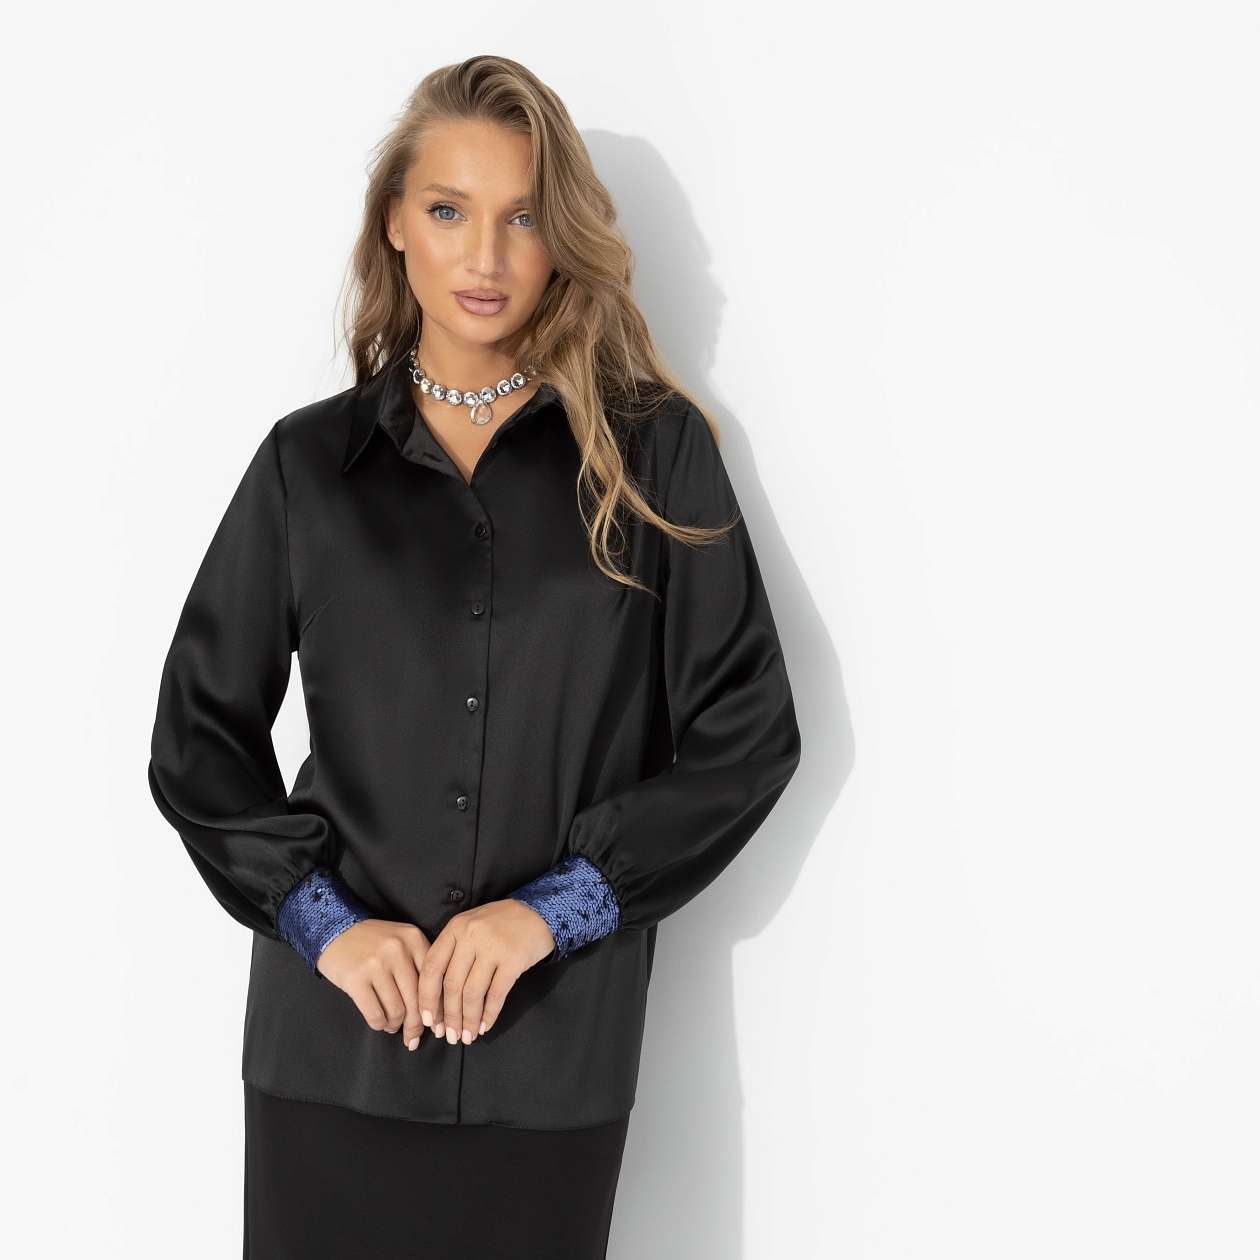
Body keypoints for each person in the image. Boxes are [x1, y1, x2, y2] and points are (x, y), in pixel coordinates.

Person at [149, 54, 799, 1260]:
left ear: (563, 237)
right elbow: (198, 739)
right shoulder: (307, 469)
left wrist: (556, 911)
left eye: (523, 217)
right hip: (331, 1052)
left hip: (549, 1057)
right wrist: (322, 920)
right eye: (449, 210)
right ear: (395, 222)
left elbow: (747, 738)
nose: (485, 255)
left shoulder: (654, 459)